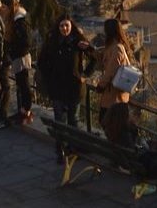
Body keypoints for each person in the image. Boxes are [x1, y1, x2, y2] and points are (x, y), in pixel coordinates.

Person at [37, 14, 89, 126]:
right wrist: (50, 76)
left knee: (73, 121)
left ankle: (71, 138)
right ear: (58, 26)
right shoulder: (52, 41)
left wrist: (85, 74)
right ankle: (60, 138)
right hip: (58, 88)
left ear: (71, 26)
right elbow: (41, 61)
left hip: (74, 87)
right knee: (60, 120)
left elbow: (94, 57)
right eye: (62, 26)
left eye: (67, 25)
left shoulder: (78, 41)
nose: (64, 28)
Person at [96, 18, 139, 147]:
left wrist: (101, 85)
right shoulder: (113, 47)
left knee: (110, 123)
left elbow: (111, 70)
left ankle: (119, 149)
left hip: (114, 95)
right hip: (114, 94)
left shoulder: (117, 48)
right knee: (112, 124)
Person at [1, 0, 35, 126]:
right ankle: (22, 110)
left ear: (11, 7)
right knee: (20, 84)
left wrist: (14, 51)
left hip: (21, 57)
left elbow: (26, 42)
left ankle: (26, 110)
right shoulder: (13, 20)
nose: (2, 9)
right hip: (16, 56)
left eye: (4, 7)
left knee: (23, 84)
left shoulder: (20, 22)